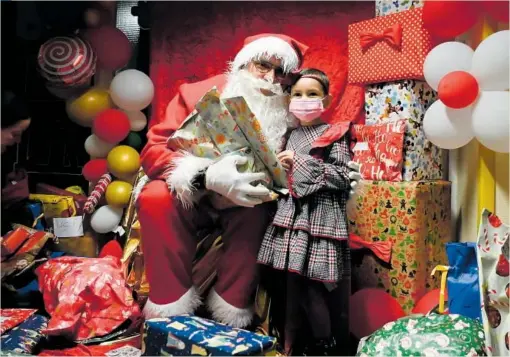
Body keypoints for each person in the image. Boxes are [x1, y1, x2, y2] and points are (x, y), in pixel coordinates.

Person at [136, 34, 361, 328]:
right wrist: (205, 176)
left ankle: (232, 310)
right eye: (263, 66)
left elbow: (309, 159)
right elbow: (153, 150)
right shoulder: (198, 94)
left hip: (245, 201)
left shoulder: (292, 113)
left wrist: (338, 177)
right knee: (154, 197)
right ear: (244, 63)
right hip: (191, 195)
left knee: (258, 212)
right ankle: (169, 306)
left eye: (280, 73)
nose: (270, 78)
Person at [257, 68, 352, 355]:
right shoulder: (289, 134)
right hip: (290, 215)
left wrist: (299, 163)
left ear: (327, 98)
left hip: (319, 217)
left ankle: (326, 345)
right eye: (297, 94)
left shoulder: (334, 133)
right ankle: (290, 343)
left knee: (314, 288)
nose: (304, 99)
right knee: (289, 285)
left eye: (312, 94)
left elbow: (342, 176)